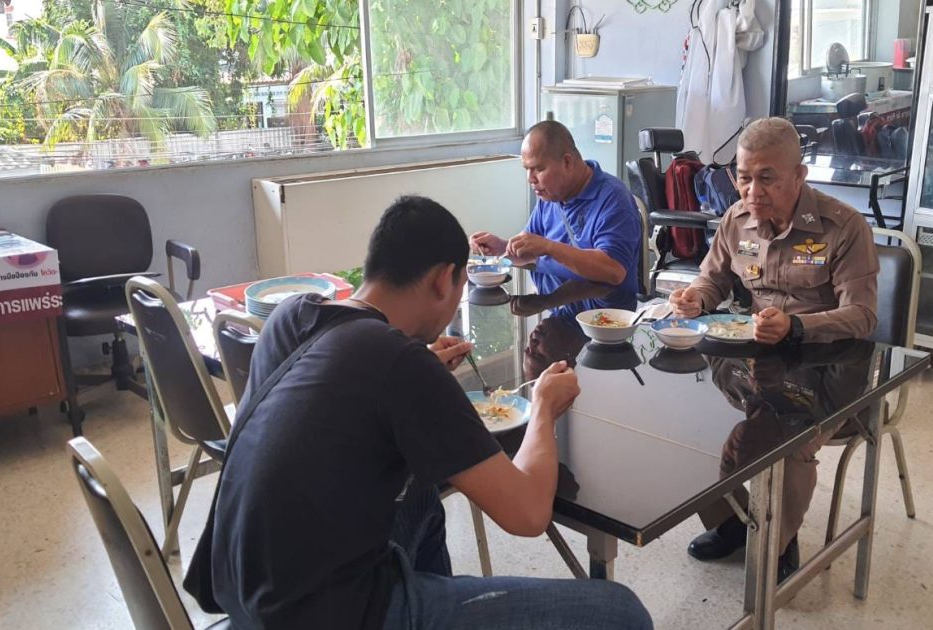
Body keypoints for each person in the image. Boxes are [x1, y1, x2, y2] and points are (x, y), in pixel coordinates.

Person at [204, 195, 652, 629]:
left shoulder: (290, 317)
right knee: (622, 613)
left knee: (421, 494)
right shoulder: (400, 363)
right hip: (333, 613)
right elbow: (529, 515)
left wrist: (416, 371)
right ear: (443, 279)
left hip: (244, 590)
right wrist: (544, 407)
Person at [668, 117, 879, 580]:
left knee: (787, 437)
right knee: (691, 420)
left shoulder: (842, 227)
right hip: (756, 358)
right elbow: (711, 278)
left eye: (767, 178)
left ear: (799, 175)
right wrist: (695, 298)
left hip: (826, 365)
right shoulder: (736, 220)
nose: (753, 191)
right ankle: (733, 521)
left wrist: (797, 326)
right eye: (744, 178)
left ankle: (777, 541)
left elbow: (863, 316)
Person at [471, 120, 643, 313]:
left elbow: (614, 271)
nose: (530, 179)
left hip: (603, 320)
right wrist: (502, 247)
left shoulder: (613, 199)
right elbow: (531, 253)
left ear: (567, 162)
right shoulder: (550, 196)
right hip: (556, 309)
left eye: (538, 169)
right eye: (527, 169)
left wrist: (549, 247)